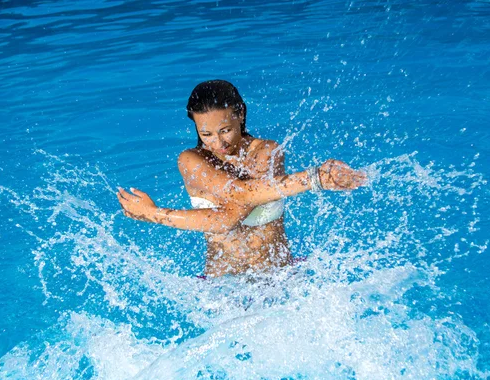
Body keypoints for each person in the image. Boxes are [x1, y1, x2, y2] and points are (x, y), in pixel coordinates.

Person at [117, 80, 366, 278]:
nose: (219, 142)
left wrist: (153, 214)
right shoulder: (191, 161)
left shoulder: (267, 151)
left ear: (240, 114)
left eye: (225, 130)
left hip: (278, 277)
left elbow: (236, 204)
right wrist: (316, 178)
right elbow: (230, 210)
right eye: (207, 134)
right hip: (222, 285)